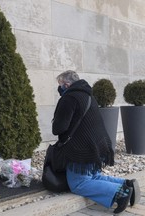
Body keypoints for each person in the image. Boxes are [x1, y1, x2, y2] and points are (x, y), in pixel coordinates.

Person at [52, 70, 140, 214]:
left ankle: (120, 193)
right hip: (99, 146)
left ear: (66, 84)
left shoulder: (69, 98)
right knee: (93, 176)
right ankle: (126, 184)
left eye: (60, 85)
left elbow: (59, 128)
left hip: (81, 150)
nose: (59, 88)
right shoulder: (88, 95)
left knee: (79, 183)